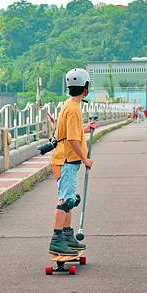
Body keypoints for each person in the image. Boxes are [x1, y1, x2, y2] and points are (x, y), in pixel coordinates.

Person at [49, 68, 97, 256]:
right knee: (65, 200)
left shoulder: (70, 105)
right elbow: (71, 139)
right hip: (67, 160)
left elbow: (72, 132)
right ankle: (56, 240)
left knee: (70, 199)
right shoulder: (74, 109)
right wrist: (85, 159)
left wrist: (85, 128)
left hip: (67, 160)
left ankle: (67, 236)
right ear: (86, 88)